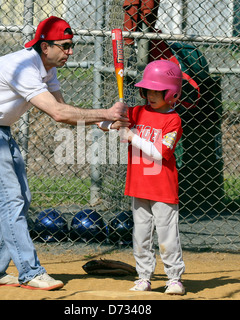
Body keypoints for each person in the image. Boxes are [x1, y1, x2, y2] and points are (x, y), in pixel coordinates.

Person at [0, 16, 128, 291]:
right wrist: (105, 113)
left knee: (21, 198)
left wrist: (104, 122)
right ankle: (30, 272)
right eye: (64, 46)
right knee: (11, 198)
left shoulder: (48, 69)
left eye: (71, 46)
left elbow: (66, 111)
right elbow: (59, 114)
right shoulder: (24, 66)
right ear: (44, 46)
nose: (70, 52)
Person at [98, 59, 185, 295]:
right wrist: (111, 117)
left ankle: (174, 278)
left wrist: (132, 136)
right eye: (148, 89)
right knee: (141, 234)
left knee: (167, 234)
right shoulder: (137, 112)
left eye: (158, 91)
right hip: (138, 185)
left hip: (163, 188)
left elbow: (160, 152)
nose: (151, 94)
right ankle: (144, 276)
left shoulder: (173, 120)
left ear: (172, 93)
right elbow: (102, 124)